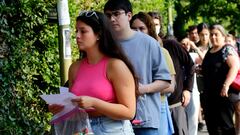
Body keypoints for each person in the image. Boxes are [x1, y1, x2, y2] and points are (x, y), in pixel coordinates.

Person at [49, 11, 139, 135]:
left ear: (98, 35)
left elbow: (129, 112)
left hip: (113, 129)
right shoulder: (74, 68)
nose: (77, 36)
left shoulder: (116, 66)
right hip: (83, 129)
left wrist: (94, 103)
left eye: (83, 31)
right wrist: (60, 109)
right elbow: (73, 108)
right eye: (76, 31)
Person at [104, 1, 172, 134]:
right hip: (112, 121)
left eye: (117, 14)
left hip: (144, 120)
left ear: (129, 16)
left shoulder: (149, 43)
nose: (112, 19)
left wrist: (143, 89)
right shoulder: (104, 45)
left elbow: (165, 80)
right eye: (108, 15)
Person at [148, 11, 194, 135]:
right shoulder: (141, 48)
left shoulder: (172, 45)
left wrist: (188, 89)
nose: (153, 27)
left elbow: (190, 64)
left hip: (175, 104)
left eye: (156, 24)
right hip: (152, 106)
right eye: (150, 24)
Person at [130, 11, 175, 135]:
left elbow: (170, 86)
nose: (138, 32)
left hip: (156, 106)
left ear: (150, 30)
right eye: (134, 29)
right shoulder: (125, 52)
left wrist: (145, 88)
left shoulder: (161, 52)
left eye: (142, 28)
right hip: (131, 109)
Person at [201, 24, 240, 135]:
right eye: (211, 34)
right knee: (213, 128)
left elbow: (235, 66)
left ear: (223, 36)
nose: (213, 37)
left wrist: (226, 85)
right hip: (210, 96)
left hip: (224, 95)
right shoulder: (210, 50)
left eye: (216, 34)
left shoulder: (226, 49)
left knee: (225, 127)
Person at [225, 33, 240, 134]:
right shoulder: (222, 53)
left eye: (229, 41)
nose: (227, 43)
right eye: (225, 41)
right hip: (229, 86)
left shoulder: (235, 53)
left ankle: (237, 131)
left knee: (238, 110)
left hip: (237, 85)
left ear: (234, 42)